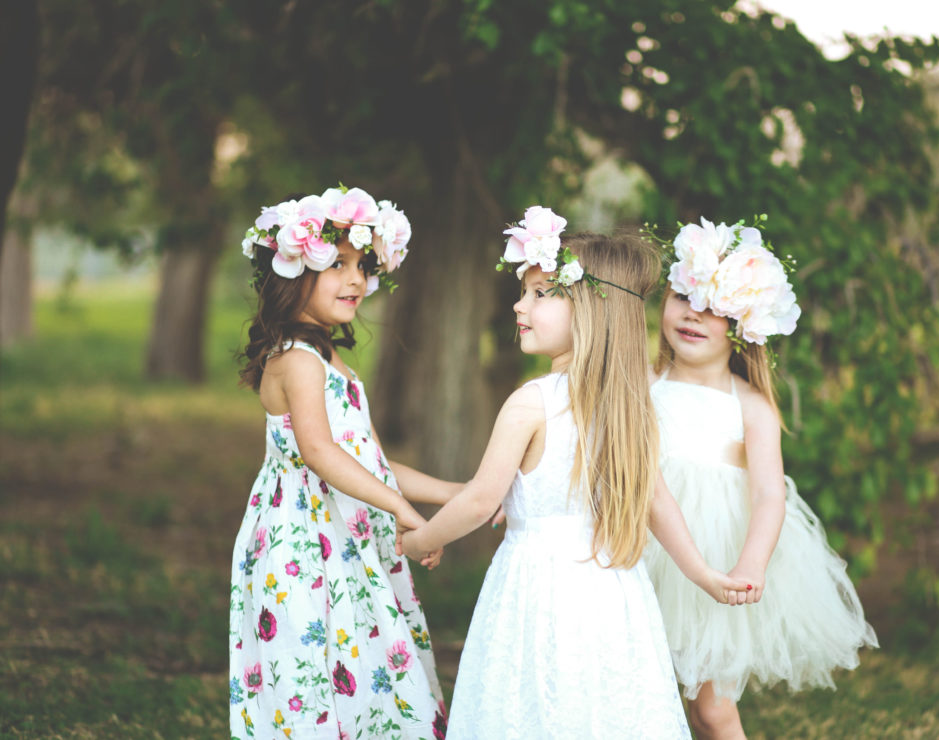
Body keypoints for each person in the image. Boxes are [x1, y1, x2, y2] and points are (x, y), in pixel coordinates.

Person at [400, 207, 745, 739]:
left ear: (587, 310)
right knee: (604, 708)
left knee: (534, 705)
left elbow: (478, 502)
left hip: (537, 591)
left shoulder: (532, 401)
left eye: (541, 294)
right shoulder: (630, 407)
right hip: (614, 596)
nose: (520, 305)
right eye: (524, 292)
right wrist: (702, 572)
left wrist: (417, 538)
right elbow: (658, 502)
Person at [229, 186, 452, 740]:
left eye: (363, 265)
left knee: (366, 670)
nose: (357, 279)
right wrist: (400, 508)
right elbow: (321, 452)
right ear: (293, 273)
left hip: (346, 542)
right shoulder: (296, 361)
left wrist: (458, 492)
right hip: (304, 550)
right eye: (339, 264)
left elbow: (372, 462)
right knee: (313, 676)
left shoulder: (335, 362)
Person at [644, 216, 878, 739]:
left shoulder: (750, 405)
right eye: (683, 296)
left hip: (714, 558)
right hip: (641, 545)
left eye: (715, 309)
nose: (693, 315)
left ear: (745, 325)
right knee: (644, 690)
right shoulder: (641, 381)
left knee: (711, 709)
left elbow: (770, 494)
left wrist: (751, 562)